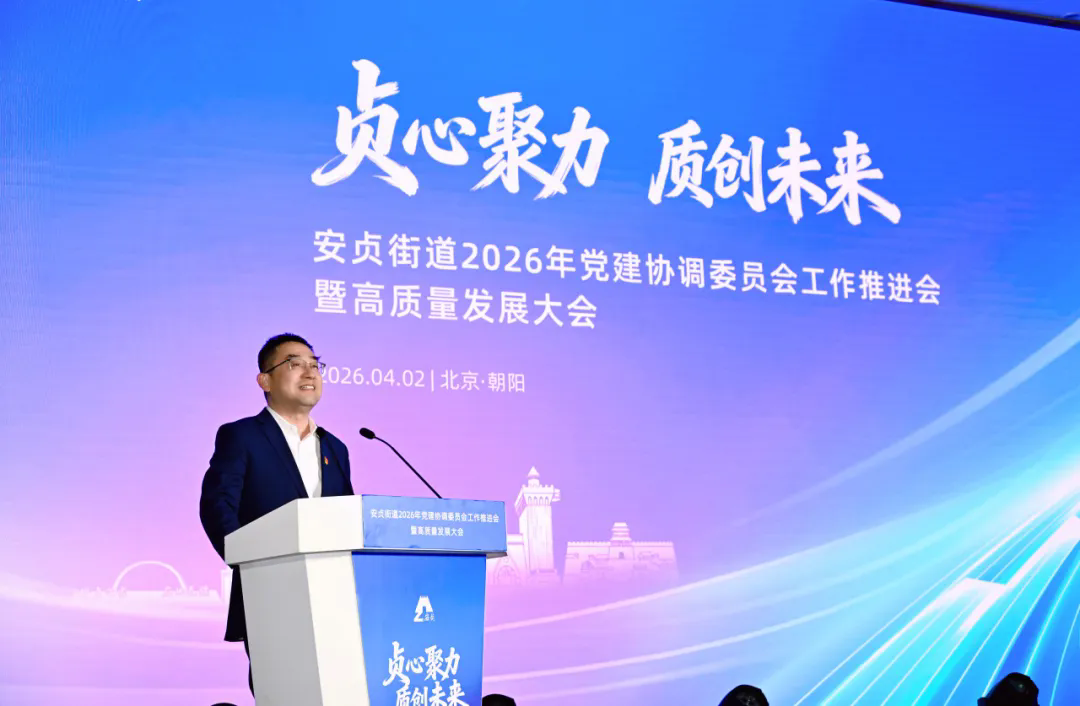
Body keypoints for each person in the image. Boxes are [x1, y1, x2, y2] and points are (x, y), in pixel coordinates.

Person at [199, 333, 355, 694]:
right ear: (265, 381)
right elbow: (217, 505)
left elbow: (346, 517)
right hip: (269, 593)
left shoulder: (336, 448)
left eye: (315, 365)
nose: (310, 372)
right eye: (295, 363)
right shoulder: (242, 436)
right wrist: (248, 563)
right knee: (284, 691)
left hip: (334, 599)